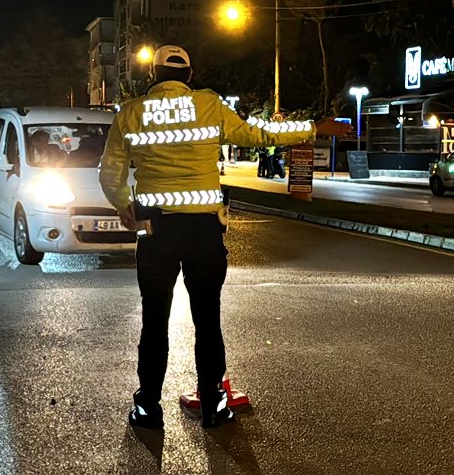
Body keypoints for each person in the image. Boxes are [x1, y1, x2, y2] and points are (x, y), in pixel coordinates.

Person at [98, 44, 351, 430]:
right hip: (203, 230)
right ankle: (215, 406)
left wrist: (122, 205)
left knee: (154, 322)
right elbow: (258, 134)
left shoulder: (131, 113)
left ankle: (148, 407)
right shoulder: (209, 105)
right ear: (190, 74)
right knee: (207, 320)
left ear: (153, 75)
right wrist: (315, 127)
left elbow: (110, 170)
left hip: (156, 230)